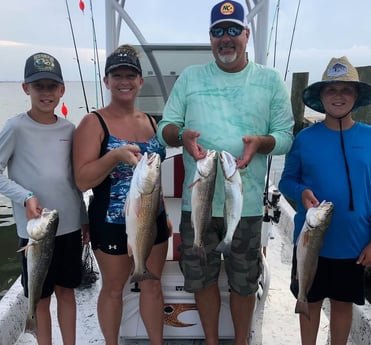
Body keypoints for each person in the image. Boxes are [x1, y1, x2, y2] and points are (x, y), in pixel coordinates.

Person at [156, 1, 294, 344]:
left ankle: (241, 341)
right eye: (218, 31)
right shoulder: (191, 77)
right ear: (210, 38)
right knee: (201, 278)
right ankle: (212, 340)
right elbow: (165, 127)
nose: (226, 38)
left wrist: (261, 142)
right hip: (198, 202)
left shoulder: (270, 79)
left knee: (244, 281)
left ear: (247, 34)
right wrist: (181, 136)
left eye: (234, 30)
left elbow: (286, 136)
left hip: (245, 206)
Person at [73, 44, 170, 345]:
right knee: (113, 289)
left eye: (130, 75)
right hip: (111, 222)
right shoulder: (93, 123)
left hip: (152, 219)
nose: (124, 81)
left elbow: (155, 176)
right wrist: (114, 156)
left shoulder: (152, 122)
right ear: (106, 81)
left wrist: (163, 211)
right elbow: (82, 180)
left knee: (153, 287)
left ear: (141, 81)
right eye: (117, 75)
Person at [278, 56, 371, 345]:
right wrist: (300, 192)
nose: (339, 96)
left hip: (355, 245)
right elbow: (286, 181)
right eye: (331, 90)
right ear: (321, 97)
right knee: (310, 301)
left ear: (356, 97)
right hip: (309, 244)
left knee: (343, 305)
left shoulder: (370, 137)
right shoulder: (305, 138)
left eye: (346, 90)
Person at [0, 52, 89, 345]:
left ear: (62, 90)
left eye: (52, 86)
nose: (46, 93)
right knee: (40, 297)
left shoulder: (69, 129)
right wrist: (25, 196)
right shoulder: (14, 127)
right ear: (26, 88)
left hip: (70, 227)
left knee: (67, 292)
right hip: (35, 233)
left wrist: (84, 219)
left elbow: (75, 180)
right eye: (39, 86)